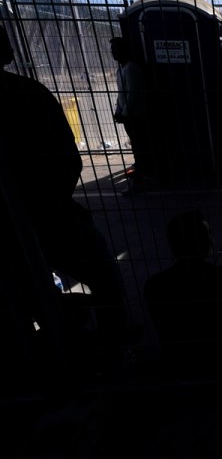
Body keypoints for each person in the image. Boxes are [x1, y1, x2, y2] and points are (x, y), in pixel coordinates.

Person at [0, 24, 129, 363]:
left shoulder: (27, 94)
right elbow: (68, 160)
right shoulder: (28, 94)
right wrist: (52, 202)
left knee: (26, 292)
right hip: (50, 214)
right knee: (104, 274)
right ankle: (116, 345)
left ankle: (55, 349)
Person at [143, 210, 222, 373]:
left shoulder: (155, 285)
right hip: (221, 360)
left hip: (178, 362)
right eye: (207, 235)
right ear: (205, 243)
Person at [110, 37, 150, 194]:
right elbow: (122, 93)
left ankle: (138, 180)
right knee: (137, 146)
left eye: (116, 50)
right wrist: (118, 110)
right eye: (112, 50)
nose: (113, 53)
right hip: (129, 115)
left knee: (139, 147)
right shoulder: (122, 69)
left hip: (136, 115)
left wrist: (124, 113)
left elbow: (133, 93)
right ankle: (139, 175)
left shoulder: (131, 68)